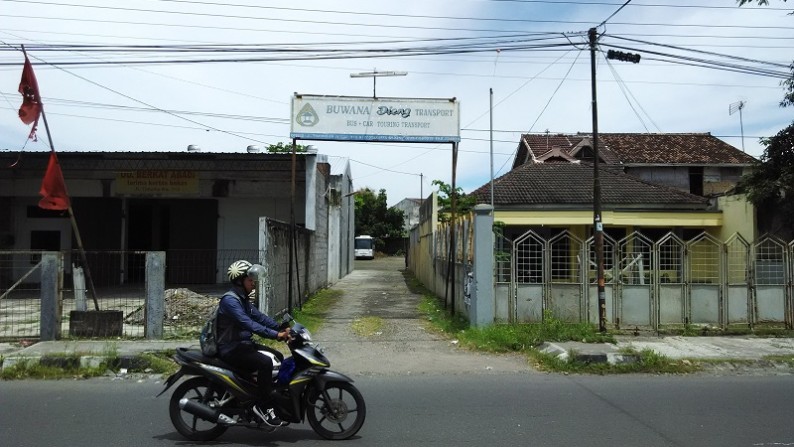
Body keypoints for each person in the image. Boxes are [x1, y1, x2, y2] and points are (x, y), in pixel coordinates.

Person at [216, 260, 290, 427]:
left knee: (277, 355)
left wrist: (281, 327)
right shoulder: (230, 301)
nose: (254, 284)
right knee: (265, 363)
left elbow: (259, 317)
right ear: (240, 281)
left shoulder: (242, 299)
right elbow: (248, 324)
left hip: (242, 345)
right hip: (230, 348)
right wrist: (276, 335)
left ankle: (261, 393)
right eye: (250, 280)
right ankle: (263, 406)